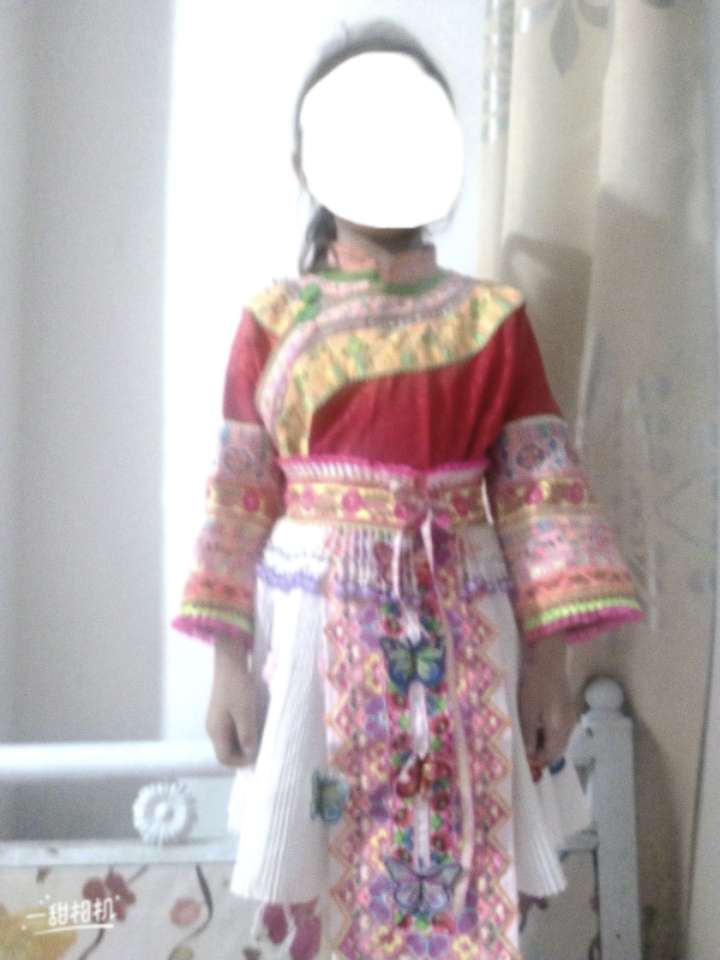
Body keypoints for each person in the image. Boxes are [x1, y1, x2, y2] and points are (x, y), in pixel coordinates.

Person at [172, 19, 644, 960]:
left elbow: (539, 498)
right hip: (314, 642)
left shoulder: (490, 319)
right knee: (326, 863)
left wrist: (548, 666)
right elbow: (237, 499)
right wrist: (228, 663)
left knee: (466, 851)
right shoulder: (272, 322)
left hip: (465, 630)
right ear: (308, 161)